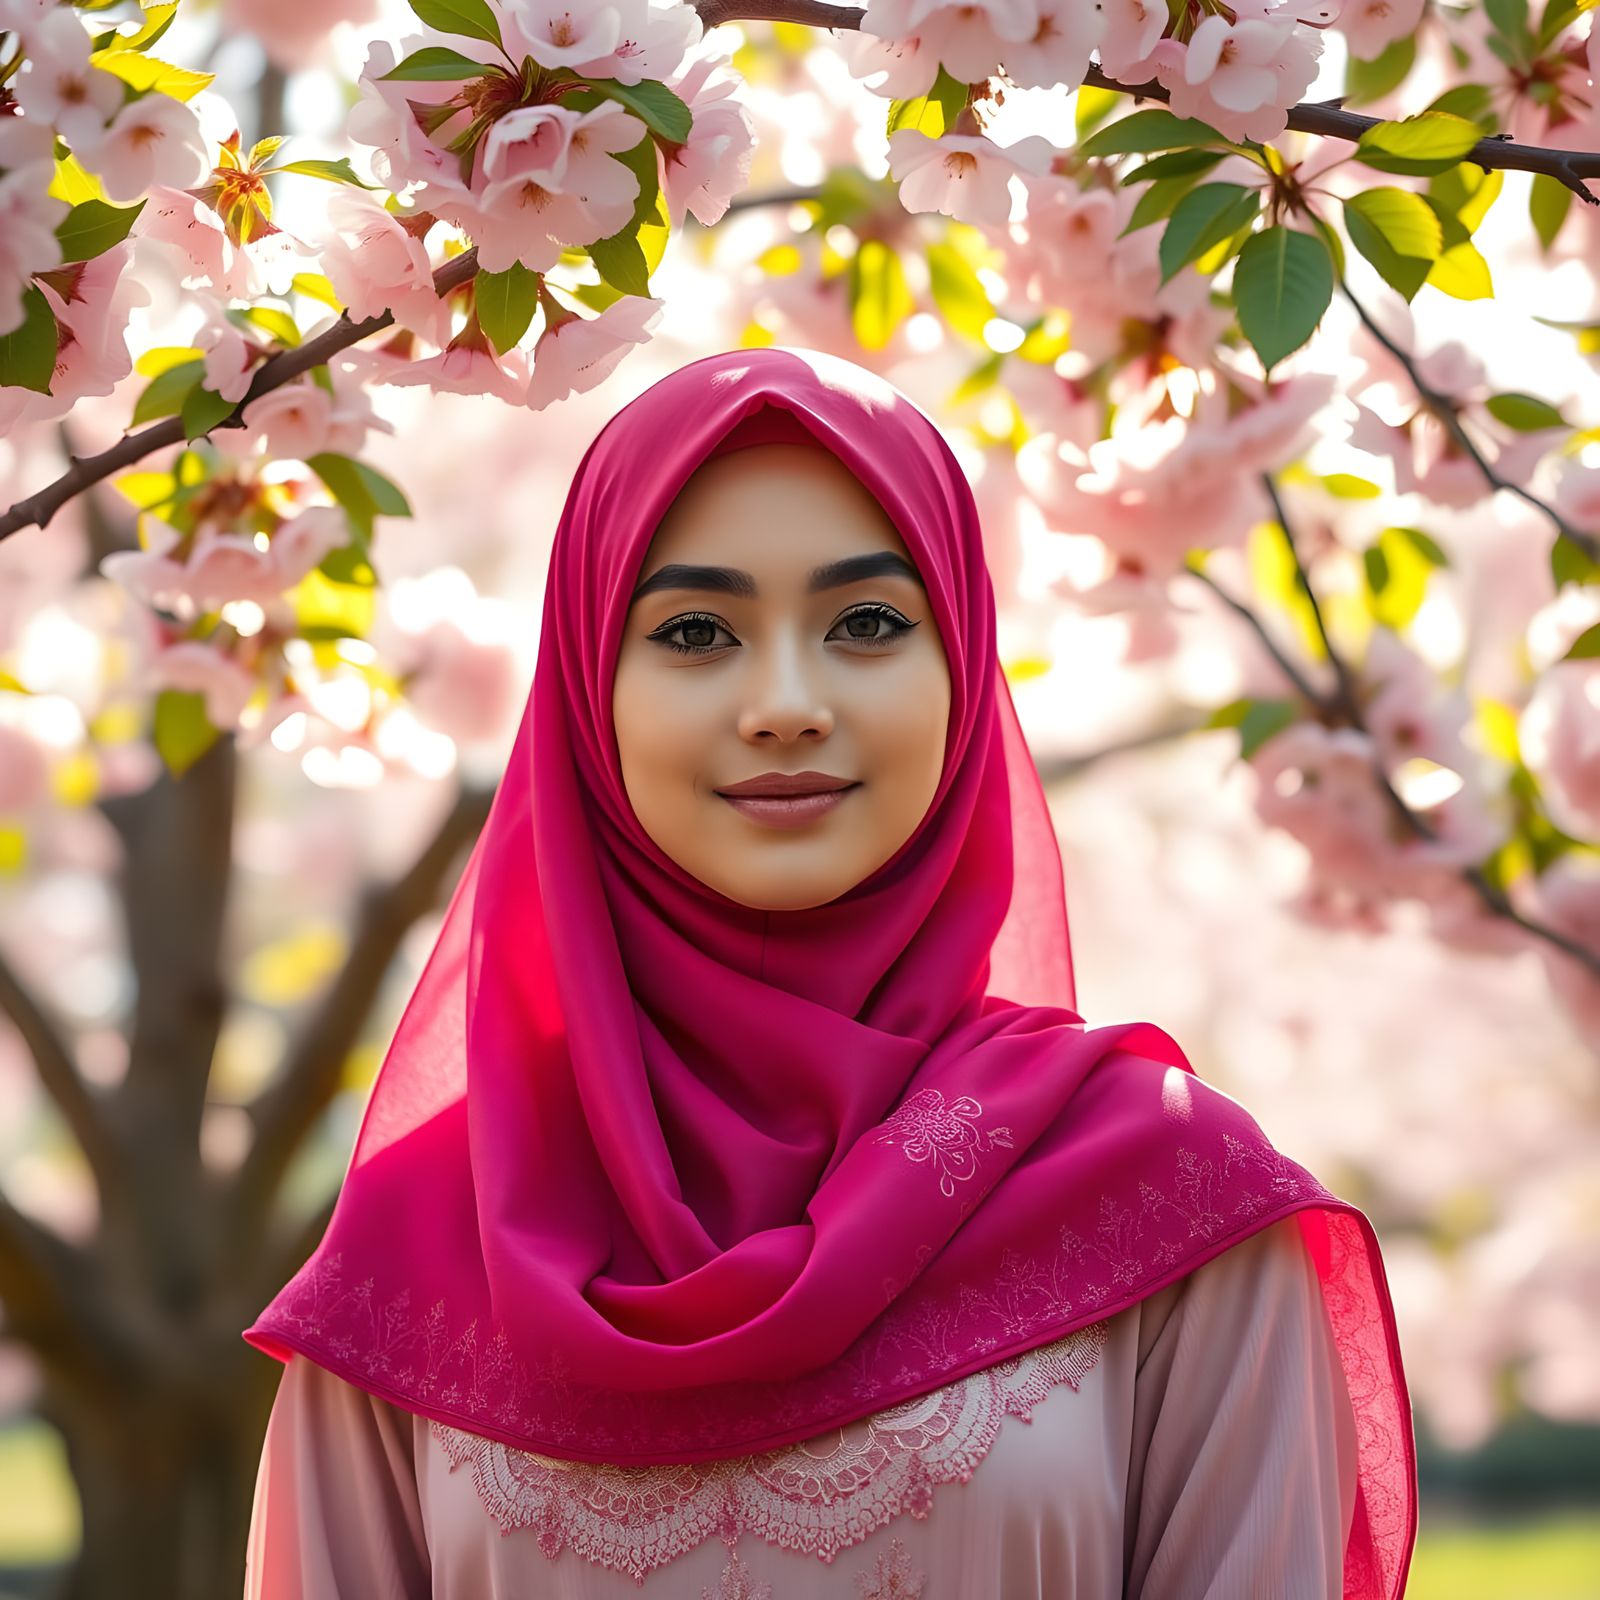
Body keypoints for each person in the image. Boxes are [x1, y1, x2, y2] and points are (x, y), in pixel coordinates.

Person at [241, 347, 1418, 1598]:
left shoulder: (1168, 1199)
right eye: (696, 630)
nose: (786, 703)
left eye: (867, 622)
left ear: (962, 666)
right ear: (588, 688)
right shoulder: (428, 1241)